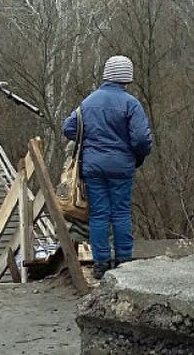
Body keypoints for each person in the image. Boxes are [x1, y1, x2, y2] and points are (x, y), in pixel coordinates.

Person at [62, 56, 153, 280]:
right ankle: (123, 260)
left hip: (93, 165)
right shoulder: (131, 103)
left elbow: (69, 128)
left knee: (99, 214)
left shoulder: (88, 102)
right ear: (127, 77)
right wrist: (135, 156)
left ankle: (101, 263)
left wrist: (90, 141)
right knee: (120, 212)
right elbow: (141, 138)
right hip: (122, 165)